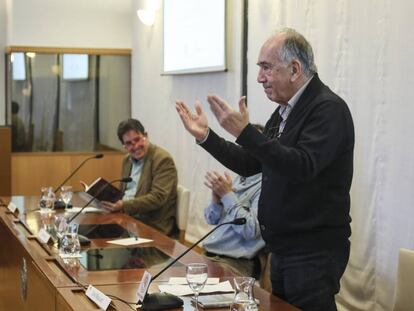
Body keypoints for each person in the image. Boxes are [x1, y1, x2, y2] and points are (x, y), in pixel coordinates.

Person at [176, 27, 354, 310]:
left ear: (295, 69)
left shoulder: (327, 109)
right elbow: (251, 162)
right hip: (281, 249)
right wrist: (206, 137)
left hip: (312, 251)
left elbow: (302, 166)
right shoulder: (285, 110)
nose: (260, 78)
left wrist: (246, 132)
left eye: (267, 68)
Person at [100, 118, 178, 236]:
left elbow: (158, 198)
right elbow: (124, 192)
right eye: (129, 143)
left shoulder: (162, 159)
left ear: (145, 136)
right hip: (126, 219)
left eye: (137, 139)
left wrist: (123, 205)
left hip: (151, 225)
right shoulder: (127, 160)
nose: (135, 146)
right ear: (124, 146)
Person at [203, 169, 265, 279]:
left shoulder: (265, 185)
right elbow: (211, 219)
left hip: (235, 262)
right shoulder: (241, 177)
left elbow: (251, 230)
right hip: (210, 254)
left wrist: (227, 195)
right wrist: (217, 201)